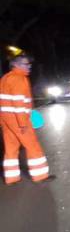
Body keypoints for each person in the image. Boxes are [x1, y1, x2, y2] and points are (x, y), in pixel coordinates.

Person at [1, 55, 52, 185]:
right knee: (32, 146)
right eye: (25, 64)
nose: (29, 66)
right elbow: (19, 104)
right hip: (18, 119)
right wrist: (23, 123)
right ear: (15, 65)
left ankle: (11, 178)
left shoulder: (5, 78)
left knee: (11, 148)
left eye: (29, 64)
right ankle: (40, 176)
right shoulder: (19, 79)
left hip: (7, 119)